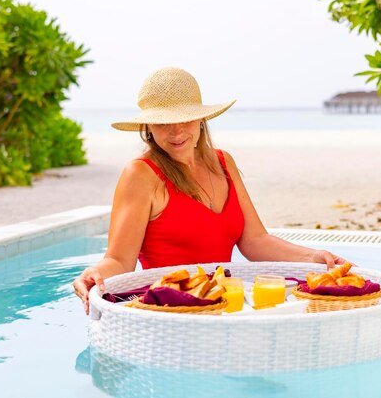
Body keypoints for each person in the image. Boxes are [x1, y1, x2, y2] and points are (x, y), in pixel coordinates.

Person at [73, 67, 347, 314]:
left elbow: (255, 241)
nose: (176, 131)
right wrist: (94, 273)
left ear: (201, 119)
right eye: (162, 123)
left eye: (185, 119)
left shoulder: (223, 162)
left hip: (224, 306)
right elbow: (119, 259)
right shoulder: (141, 174)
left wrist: (312, 257)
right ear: (147, 128)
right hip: (171, 313)